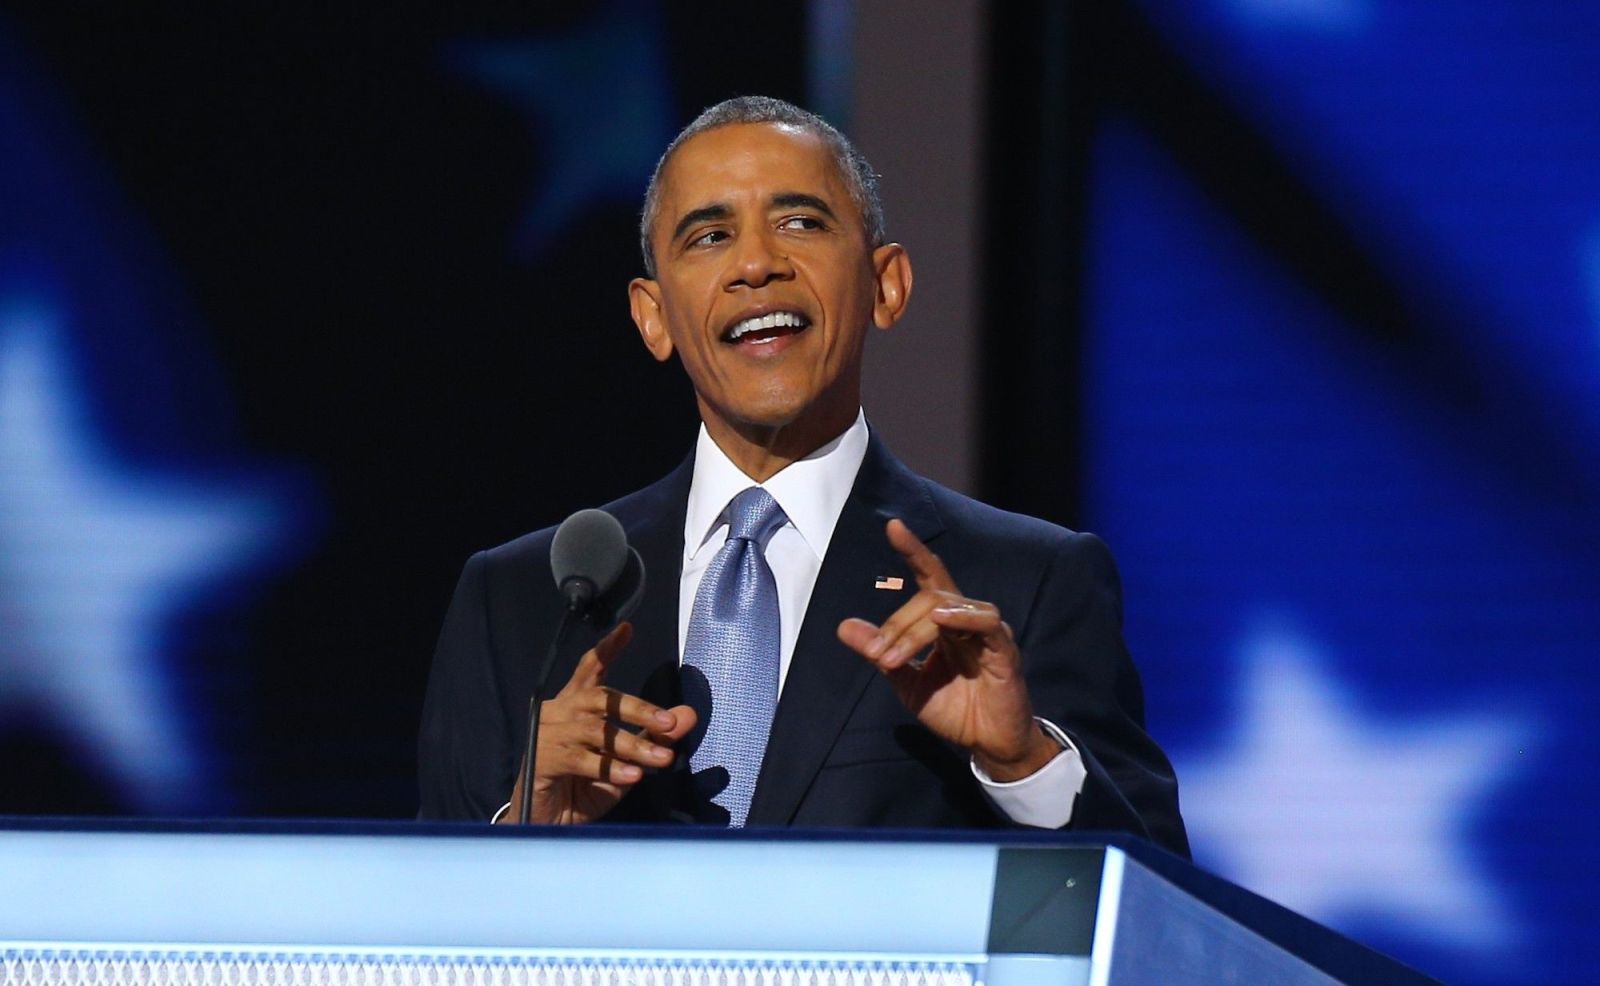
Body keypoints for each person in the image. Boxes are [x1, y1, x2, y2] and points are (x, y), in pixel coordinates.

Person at [418, 96, 1187, 855]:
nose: (756, 264)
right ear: (652, 317)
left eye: (800, 223)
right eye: (710, 235)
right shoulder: (519, 601)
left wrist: (1022, 762)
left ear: (887, 285)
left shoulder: (1025, 583)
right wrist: (522, 825)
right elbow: (422, 934)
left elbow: (1167, 933)